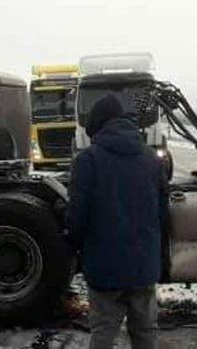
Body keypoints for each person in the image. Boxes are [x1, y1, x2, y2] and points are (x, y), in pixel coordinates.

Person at [67, 94, 169, 349]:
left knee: (103, 331)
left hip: (104, 267)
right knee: (145, 331)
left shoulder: (87, 161)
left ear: (98, 128)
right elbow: (162, 212)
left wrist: (74, 245)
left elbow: (77, 217)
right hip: (143, 265)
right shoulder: (150, 158)